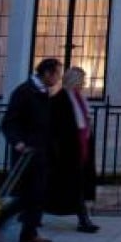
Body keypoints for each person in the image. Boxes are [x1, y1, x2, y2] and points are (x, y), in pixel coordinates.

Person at [0, 57, 62, 242]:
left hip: (40, 151)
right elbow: (9, 121)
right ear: (47, 73)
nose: (58, 78)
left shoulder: (42, 93)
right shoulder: (25, 92)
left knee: (36, 194)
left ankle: (27, 233)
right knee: (30, 194)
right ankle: (5, 224)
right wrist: (17, 142)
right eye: (57, 74)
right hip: (27, 152)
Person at [46, 66, 99, 233]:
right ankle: (84, 220)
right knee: (75, 184)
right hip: (68, 148)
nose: (84, 82)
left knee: (77, 183)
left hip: (81, 144)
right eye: (82, 79)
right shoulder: (60, 99)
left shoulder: (79, 98)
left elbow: (84, 119)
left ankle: (83, 219)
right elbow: (56, 127)